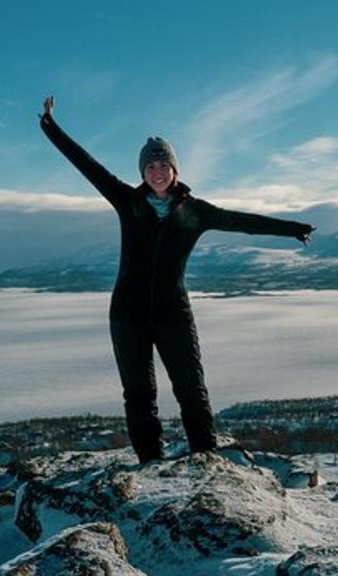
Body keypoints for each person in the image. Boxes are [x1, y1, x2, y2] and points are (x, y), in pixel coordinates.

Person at [39, 95, 314, 463]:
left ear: (174, 170)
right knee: (139, 393)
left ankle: (206, 458)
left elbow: (242, 222)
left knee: (191, 389)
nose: (156, 171)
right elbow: (87, 166)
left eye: (163, 164)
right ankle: (150, 463)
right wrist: (51, 127)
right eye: (150, 165)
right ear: (142, 171)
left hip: (174, 314)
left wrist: (292, 229)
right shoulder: (127, 201)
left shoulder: (195, 212)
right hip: (127, 315)